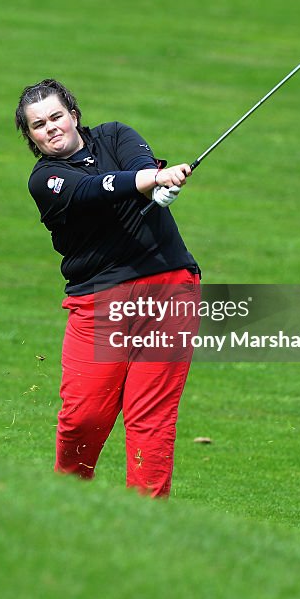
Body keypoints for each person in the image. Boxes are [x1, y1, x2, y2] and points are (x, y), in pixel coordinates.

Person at [16, 78, 200, 498]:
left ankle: (144, 521)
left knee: (150, 418)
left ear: (74, 115)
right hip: (99, 305)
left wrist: (158, 182)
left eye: (57, 116)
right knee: (84, 417)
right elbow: (95, 190)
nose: (51, 128)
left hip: (169, 289)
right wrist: (149, 182)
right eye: (39, 125)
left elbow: (138, 169)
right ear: (31, 137)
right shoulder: (46, 180)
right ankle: (69, 498)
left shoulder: (115, 134)